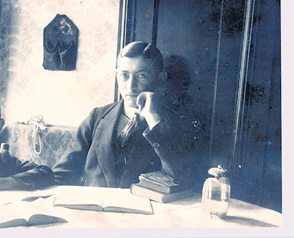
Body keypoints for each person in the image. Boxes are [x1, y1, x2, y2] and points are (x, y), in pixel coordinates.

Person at [52, 41, 206, 189]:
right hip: (95, 211)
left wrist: (153, 118)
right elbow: (63, 173)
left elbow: (181, 178)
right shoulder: (97, 117)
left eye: (141, 76)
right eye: (124, 75)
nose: (131, 86)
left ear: (160, 79)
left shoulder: (176, 122)